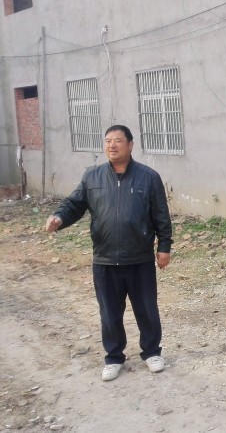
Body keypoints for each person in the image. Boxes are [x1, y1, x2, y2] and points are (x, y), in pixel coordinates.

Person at [45, 125, 173, 382]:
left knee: (147, 309)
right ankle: (114, 357)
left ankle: (152, 352)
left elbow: (161, 214)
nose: (112, 145)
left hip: (139, 258)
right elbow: (74, 204)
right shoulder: (92, 177)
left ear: (130, 145)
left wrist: (164, 247)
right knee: (109, 312)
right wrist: (59, 217)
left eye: (117, 141)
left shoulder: (148, 177)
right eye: (107, 141)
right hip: (104, 259)